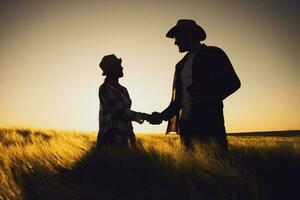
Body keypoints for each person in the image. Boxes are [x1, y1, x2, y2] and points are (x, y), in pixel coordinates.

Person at [147, 19, 241, 150]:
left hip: (209, 123)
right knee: (189, 167)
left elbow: (233, 83)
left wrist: (208, 97)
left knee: (215, 163)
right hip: (186, 124)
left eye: (177, 37)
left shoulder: (214, 54)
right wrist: (162, 116)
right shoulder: (180, 65)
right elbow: (178, 101)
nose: (175, 42)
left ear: (188, 35)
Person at [97, 54, 149, 148]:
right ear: (112, 71)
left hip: (123, 139)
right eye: (118, 66)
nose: (122, 68)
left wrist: (131, 134)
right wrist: (144, 116)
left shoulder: (123, 90)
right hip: (109, 139)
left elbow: (126, 114)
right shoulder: (105, 89)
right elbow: (120, 112)